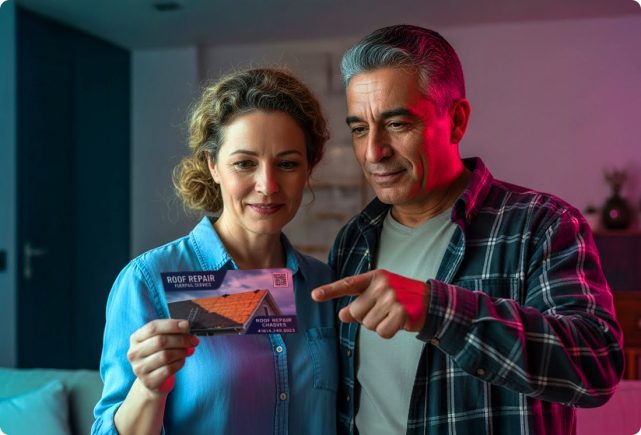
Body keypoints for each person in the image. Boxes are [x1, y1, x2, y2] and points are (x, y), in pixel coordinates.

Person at [312, 25, 624, 434]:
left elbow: (596, 364)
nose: (373, 151)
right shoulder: (352, 241)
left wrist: (438, 311)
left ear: (456, 121)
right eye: (359, 129)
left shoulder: (542, 225)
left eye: (398, 124)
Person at [92, 68, 338, 435]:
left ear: (309, 168)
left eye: (287, 163)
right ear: (213, 165)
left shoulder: (324, 285)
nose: (267, 185)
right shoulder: (148, 281)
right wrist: (149, 388)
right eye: (244, 163)